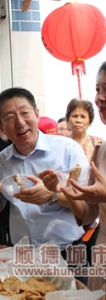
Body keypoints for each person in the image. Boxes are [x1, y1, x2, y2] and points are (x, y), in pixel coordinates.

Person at [0, 87, 89, 284]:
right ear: (1, 127)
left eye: (24, 113)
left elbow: (86, 203)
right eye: (10, 117)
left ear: (37, 114)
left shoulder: (67, 150)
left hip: (68, 252)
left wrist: (51, 196)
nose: (20, 122)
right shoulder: (0, 162)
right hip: (24, 257)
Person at [41, 61, 106, 296]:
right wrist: (63, 190)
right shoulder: (101, 150)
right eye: (98, 90)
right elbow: (90, 212)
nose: (100, 97)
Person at [65, 99, 103, 266]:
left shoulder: (98, 143)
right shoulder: (61, 144)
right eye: (74, 116)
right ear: (68, 120)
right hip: (68, 211)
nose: (78, 120)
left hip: (96, 218)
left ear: (90, 120)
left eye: (83, 116)